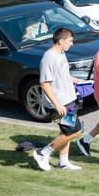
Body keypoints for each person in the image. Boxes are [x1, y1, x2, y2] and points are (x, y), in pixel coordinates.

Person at [32, 27, 86, 171]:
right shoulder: (49, 58)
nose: (72, 44)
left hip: (68, 99)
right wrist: (57, 104)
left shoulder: (61, 53)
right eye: (70, 40)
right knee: (75, 131)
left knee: (66, 132)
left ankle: (63, 162)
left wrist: (73, 79)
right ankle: (42, 153)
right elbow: (44, 83)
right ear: (61, 41)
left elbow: (60, 73)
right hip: (61, 103)